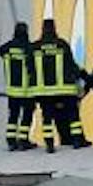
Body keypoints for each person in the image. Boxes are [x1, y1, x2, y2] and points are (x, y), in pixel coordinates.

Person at [29, 18, 86, 151]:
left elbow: (30, 68)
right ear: (54, 29)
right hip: (64, 89)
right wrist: (82, 76)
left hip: (44, 91)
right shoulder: (62, 45)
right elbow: (71, 65)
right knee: (73, 115)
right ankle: (77, 141)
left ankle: (49, 144)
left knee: (47, 117)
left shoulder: (35, 47)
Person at [0, 21, 37, 151]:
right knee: (27, 115)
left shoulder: (6, 48)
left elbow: (1, 50)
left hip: (12, 89)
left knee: (13, 114)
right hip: (27, 90)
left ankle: (10, 140)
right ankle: (23, 139)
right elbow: (32, 68)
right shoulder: (29, 48)